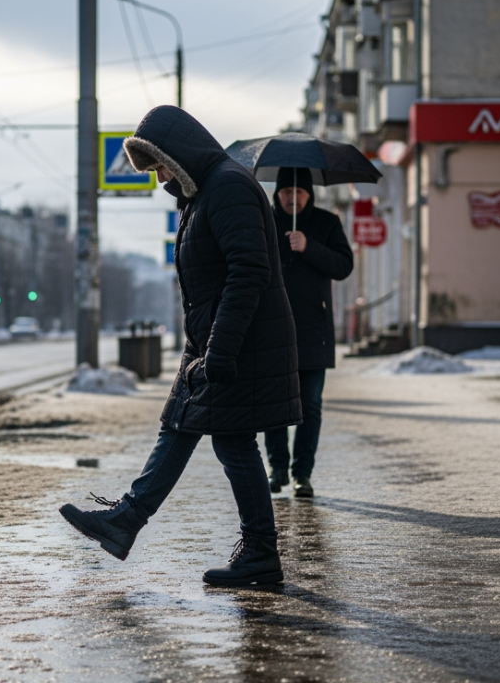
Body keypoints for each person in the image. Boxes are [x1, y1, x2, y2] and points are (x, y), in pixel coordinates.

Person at [59, 105, 301, 588]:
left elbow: (247, 272)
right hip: (212, 341)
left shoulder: (228, 187)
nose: (160, 177)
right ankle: (128, 520)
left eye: (161, 164)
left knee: (232, 444)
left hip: (236, 343)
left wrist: (222, 349)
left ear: (181, 152)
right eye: (153, 170)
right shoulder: (201, 194)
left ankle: (258, 553)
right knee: (178, 425)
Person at [264, 167, 354, 499]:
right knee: (272, 405)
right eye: (286, 191)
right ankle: (278, 470)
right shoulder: (265, 221)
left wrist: (308, 246)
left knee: (310, 406)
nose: (291, 197)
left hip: (314, 329)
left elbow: (344, 266)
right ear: (277, 193)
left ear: (309, 194)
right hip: (272, 330)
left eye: (299, 192)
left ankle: (302, 474)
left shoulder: (327, 223)